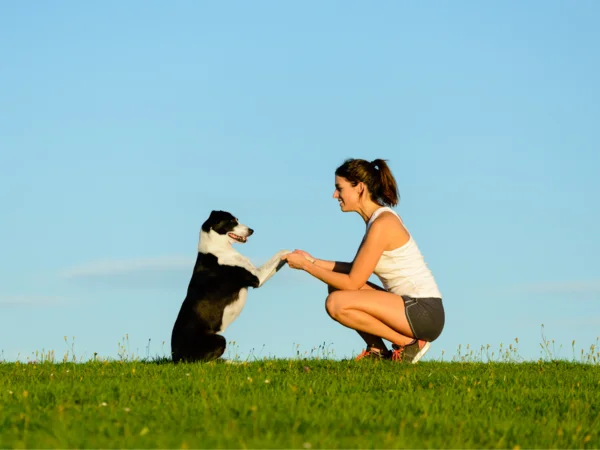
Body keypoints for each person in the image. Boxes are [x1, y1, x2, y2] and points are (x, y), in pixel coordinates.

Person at [281, 158, 444, 363]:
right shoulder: (376, 221)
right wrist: (313, 261)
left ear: (359, 188)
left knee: (336, 303)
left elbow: (352, 282)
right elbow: (355, 269)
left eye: (339, 188)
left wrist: (306, 267)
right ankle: (378, 351)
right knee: (334, 287)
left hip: (423, 311)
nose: (335, 195)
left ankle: (408, 345)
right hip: (411, 308)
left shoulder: (383, 224)